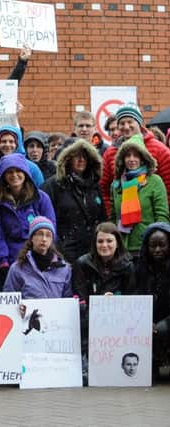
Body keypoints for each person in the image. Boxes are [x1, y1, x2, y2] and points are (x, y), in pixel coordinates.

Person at [0, 153, 56, 285]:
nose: (14, 175)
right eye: (10, 172)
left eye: (18, 171)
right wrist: (3, 261)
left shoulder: (41, 198)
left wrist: (45, 255)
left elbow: (50, 229)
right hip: (10, 258)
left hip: (38, 255)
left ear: (25, 173)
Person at [42, 139, 106, 263]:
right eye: (76, 156)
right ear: (67, 159)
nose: (81, 160)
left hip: (93, 252)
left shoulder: (94, 185)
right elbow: (46, 221)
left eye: (85, 156)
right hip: (64, 253)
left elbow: (102, 218)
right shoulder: (53, 185)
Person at [100, 103, 170, 215]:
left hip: (153, 224)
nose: (126, 127)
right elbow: (105, 189)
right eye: (122, 123)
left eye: (130, 122)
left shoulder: (160, 150)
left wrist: (162, 222)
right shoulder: (110, 153)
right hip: (121, 224)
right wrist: (112, 215)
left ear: (139, 123)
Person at [110, 134, 169, 256]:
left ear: (143, 158)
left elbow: (162, 216)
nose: (131, 159)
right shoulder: (116, 185)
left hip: (148, 247)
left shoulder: (154, 181)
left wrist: (156, 244)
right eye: (128, 155)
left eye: (136, 155)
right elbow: (113, 217)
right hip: (122, 248)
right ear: (122, 159)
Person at [4, 216, 72, 299]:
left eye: (48, 235)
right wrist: (19, 308)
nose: (44, 239)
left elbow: (68, 301)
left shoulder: (64, 269)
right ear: (32, 238)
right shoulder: (17, 269)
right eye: (40, 234)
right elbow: (9, 301)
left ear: (52, 240)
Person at [135, 222, 170, 373]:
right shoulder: (139, 268)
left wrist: (163, 324)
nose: (157, 250)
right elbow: (135, 297)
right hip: (147, 320)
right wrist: (145, 321)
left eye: (162, 245)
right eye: (152, 246)